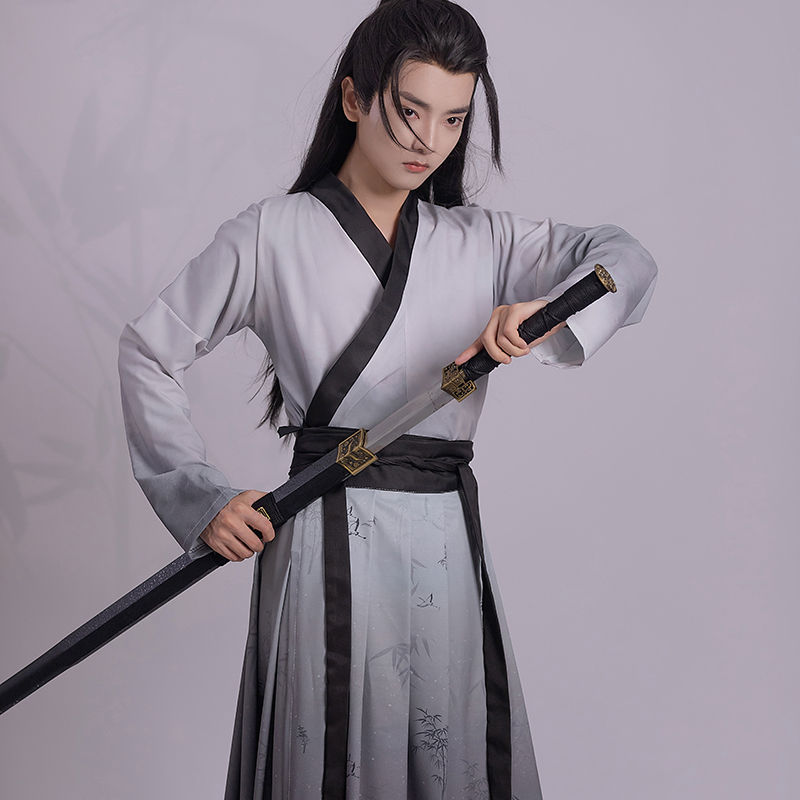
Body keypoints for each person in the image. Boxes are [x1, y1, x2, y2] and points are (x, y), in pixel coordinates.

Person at [117, 0, 658, 797]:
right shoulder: (270, 234)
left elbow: (628, 260)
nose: (428, 141)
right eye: (409, 111)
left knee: (450, 755)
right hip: (319, 532)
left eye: (452, 119)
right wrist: (202, 498)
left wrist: (542, 312)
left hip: (442, 539)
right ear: (353, 98)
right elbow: (149, 349)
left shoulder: (485, 242)